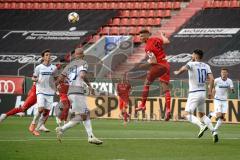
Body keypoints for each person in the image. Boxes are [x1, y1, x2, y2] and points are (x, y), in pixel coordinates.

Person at [55, 48, 103, 145]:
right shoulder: (83, 62)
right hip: (77, 92)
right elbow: (82, 75)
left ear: (75, 55)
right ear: (83, 54)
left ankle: (62, 129)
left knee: (81, 117)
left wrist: (57, 85)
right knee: (85, 115)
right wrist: (85, 84)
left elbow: (60, 78)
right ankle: (90, 137)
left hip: (71, 93)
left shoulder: (70, 65)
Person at [174, 49, 218, 143]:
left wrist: (178, 72)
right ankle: (214, 132)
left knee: (186, 115)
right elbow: (212, 79)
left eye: (192, 54)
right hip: (203, 93)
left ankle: (201, 126)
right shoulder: (206, 65)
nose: (191, 55)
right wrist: (210, 92)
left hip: (194, 93)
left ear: (195, 55)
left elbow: (184, 68)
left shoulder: (191, 64)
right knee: (202, 115)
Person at [135, 29, 171, 121]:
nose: (140, 38)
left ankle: (142, 105)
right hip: (165, 65)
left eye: (142, 36)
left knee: (146, 84)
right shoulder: (156, 39)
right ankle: (168, 109)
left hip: (158, 66)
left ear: (147, 36)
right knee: (165, 89)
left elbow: (153, 61)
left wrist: (145, 64)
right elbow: (167, 41)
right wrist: (163, 35)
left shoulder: (148, 47)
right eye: (140, 36)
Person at [29, 49, 57, 136]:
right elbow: (33, 78)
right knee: (41, 109)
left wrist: (57, 87)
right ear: (43, 57)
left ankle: (36, 129)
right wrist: (36, 79)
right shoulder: (38, 68)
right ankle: (33, 123)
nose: (48, 56)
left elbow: (56, 79)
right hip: (40, 91)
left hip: (50, 92)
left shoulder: (54, 68)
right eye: (46, 55)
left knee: (46, 113)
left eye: (49, 55)